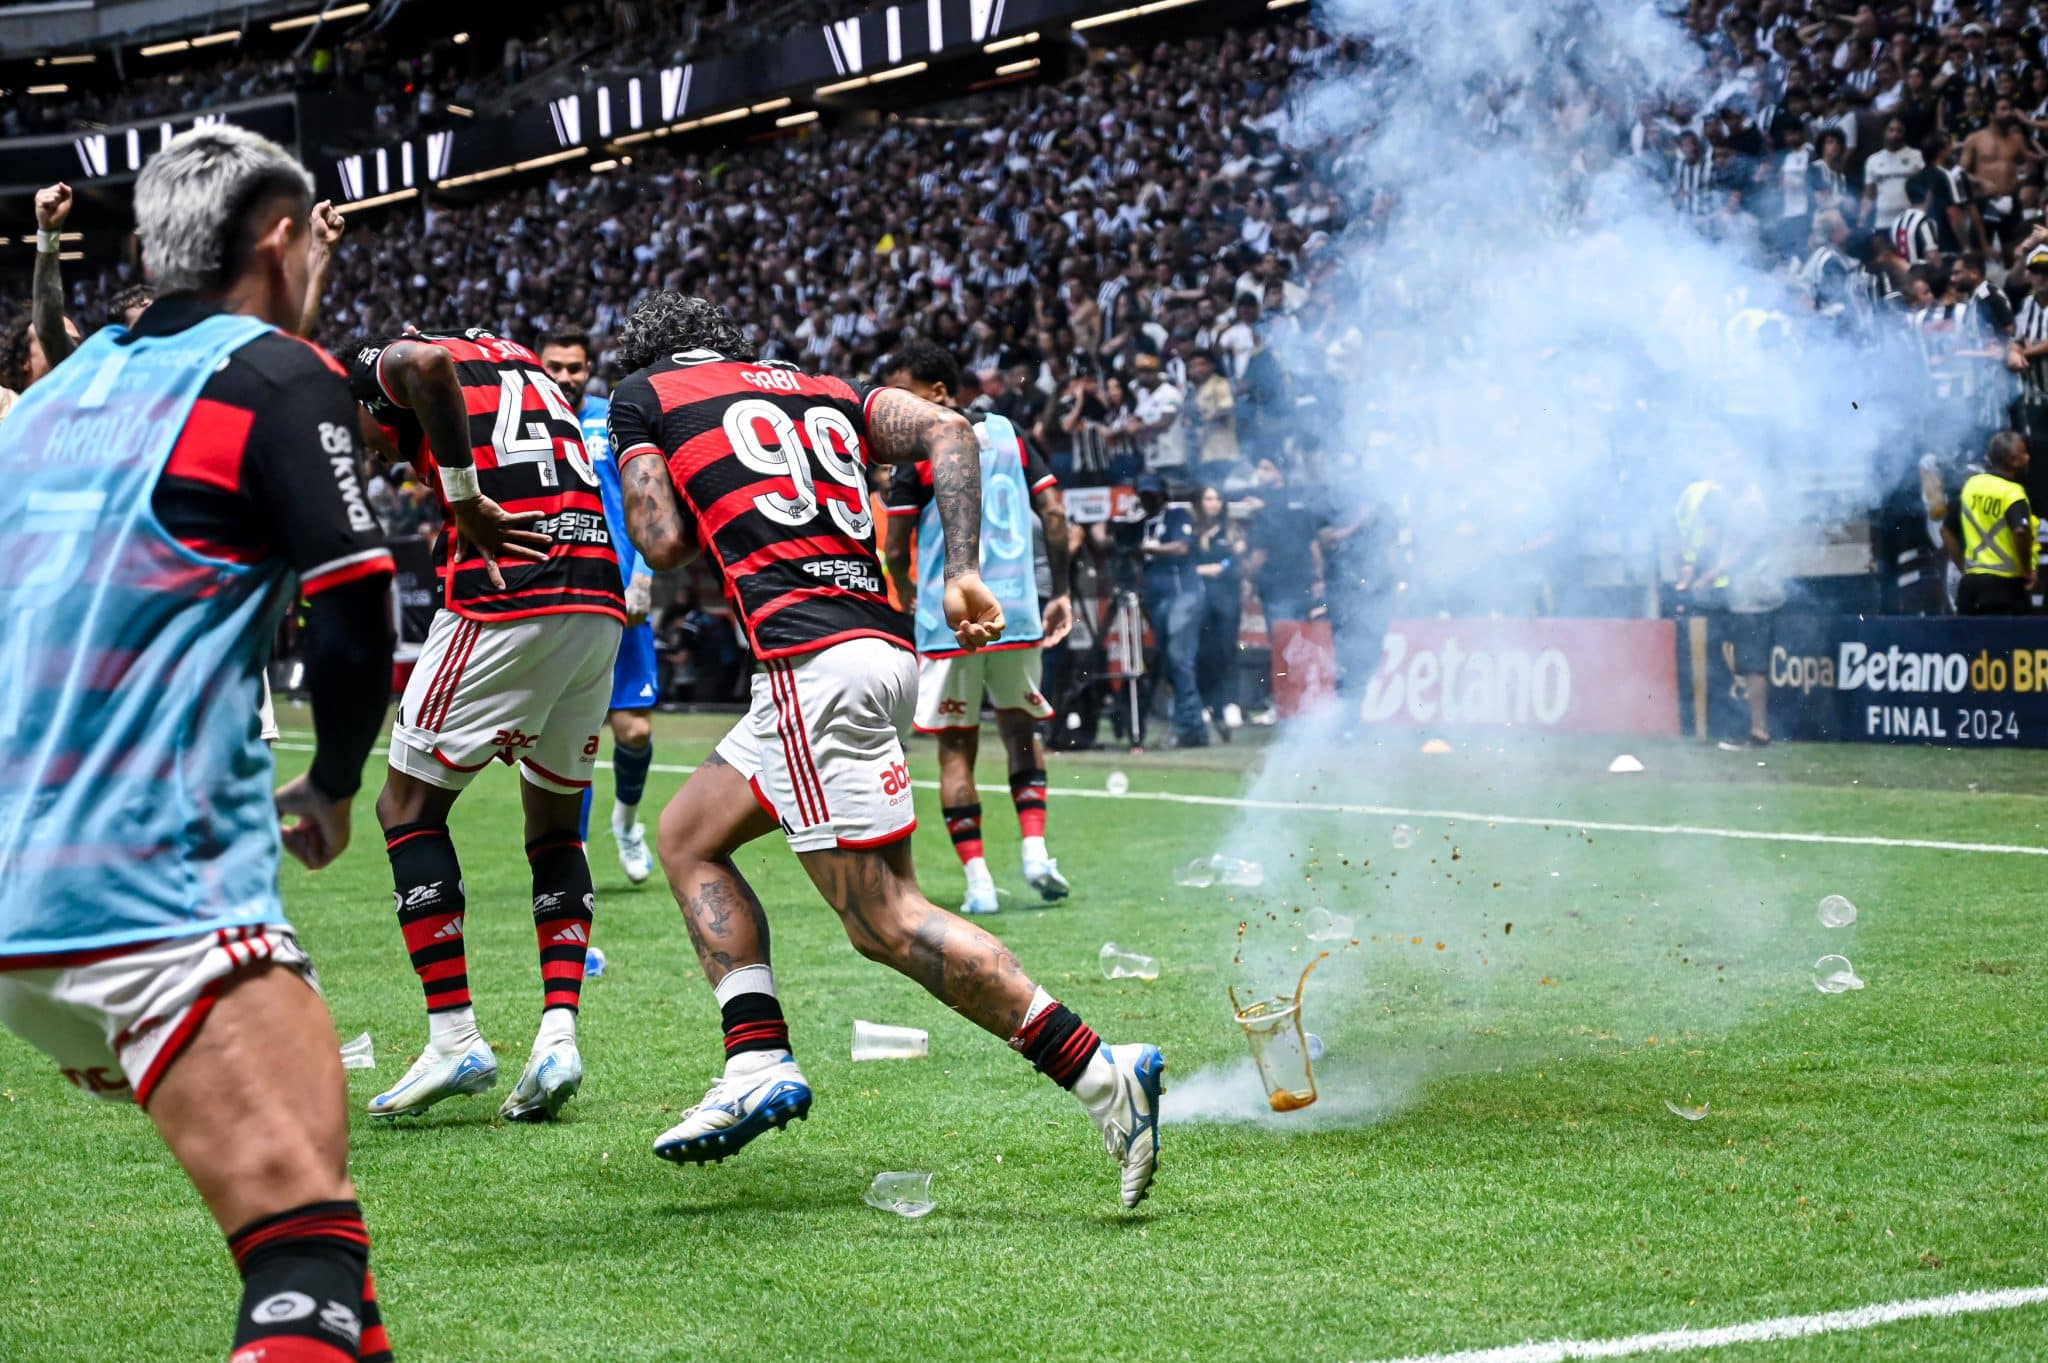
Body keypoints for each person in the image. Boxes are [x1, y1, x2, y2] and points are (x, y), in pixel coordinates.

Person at [606, 292, 1163, 1209]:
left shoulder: (645, 396)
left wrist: (660, 466)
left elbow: (661, 543)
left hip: (809, 663)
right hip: (877, 648)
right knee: (687, 834)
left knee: (886, 921)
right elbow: (951, 431)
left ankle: (1103, 1073)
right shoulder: (826, 387)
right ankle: (755, 1054)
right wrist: (963, 569)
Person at [0, 125, 396, 1363]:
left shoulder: (47, 401)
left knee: (323, 1248)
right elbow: (356, 614)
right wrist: (333, 782)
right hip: (149, 894)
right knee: (303, 1256)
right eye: (308, 238)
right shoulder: (277, 377)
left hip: (20, 902)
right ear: (278, 241)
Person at [346, 325, 625, 1122]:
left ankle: (454, 1036)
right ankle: (558, 1036)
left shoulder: (392, 361)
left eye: (364, 431)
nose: (372, 450)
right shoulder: (520, 363)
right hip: (595, 595)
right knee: (555, 823)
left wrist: (464, 496)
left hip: (509, 590)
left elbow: (424, 364)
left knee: (406, 805)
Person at [880, 340, 1076, 915]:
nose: (894, 409)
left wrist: (906, 590)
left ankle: (979, 883)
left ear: (938, 392)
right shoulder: (1012, 436)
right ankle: (1036, 854)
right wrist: (1061, 591)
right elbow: (1055, 515)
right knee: (1021, 730)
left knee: (956, 750)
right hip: (1015, 609)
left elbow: (896, 545)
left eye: (903, 394)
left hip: (951, 619)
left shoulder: (920, 451)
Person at [539, 325, 660, 884]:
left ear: (589, 369)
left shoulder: (613, 418)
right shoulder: (528, 420)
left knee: (634, 730)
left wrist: (644, 574)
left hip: (620, 592)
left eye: (575, 367)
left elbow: (648, 497)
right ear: (539, 366)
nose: (566, 376)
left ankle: (627, 824)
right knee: (572, 732)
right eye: (556, 366)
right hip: (561, 596)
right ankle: (576, 852)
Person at [1136, 472, 1207, 747]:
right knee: (1170, 663)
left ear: (1163, 495)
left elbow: (1182, 547)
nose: (1148, 500)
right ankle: (1193, 726)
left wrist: (1152, 549)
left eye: (1152, 495)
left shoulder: (1177, 516)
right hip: (1157, 600)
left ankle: (1188, 726)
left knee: (1179, 659)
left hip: (1184, 595)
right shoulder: (1141, 523)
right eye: (1144, 495)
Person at [1942, 431, 2036, 614]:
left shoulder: (1971, 486)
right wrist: (2026, 569)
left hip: (1970, 588)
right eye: (2024, 454)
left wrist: (1963, 566)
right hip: (2006, 588)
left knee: (1969, 634)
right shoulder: (2012, 492)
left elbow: (1945, 531)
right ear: (2013, 460)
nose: (2028, 457)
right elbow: (2020, 531)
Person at [1190, 485, 1244, 736]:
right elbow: (1187, 561)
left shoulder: (1230, 531)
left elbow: (1236, 558)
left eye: (1217, 499)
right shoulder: (1193, 531)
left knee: (1227, 649)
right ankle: (1205, 703)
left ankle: (1230, 702)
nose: (1213, 503)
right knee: (1203, 651)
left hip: (1227, 597)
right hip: (1200, 598)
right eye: (1208, 498)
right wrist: (1202, 570)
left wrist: (1221, 565)